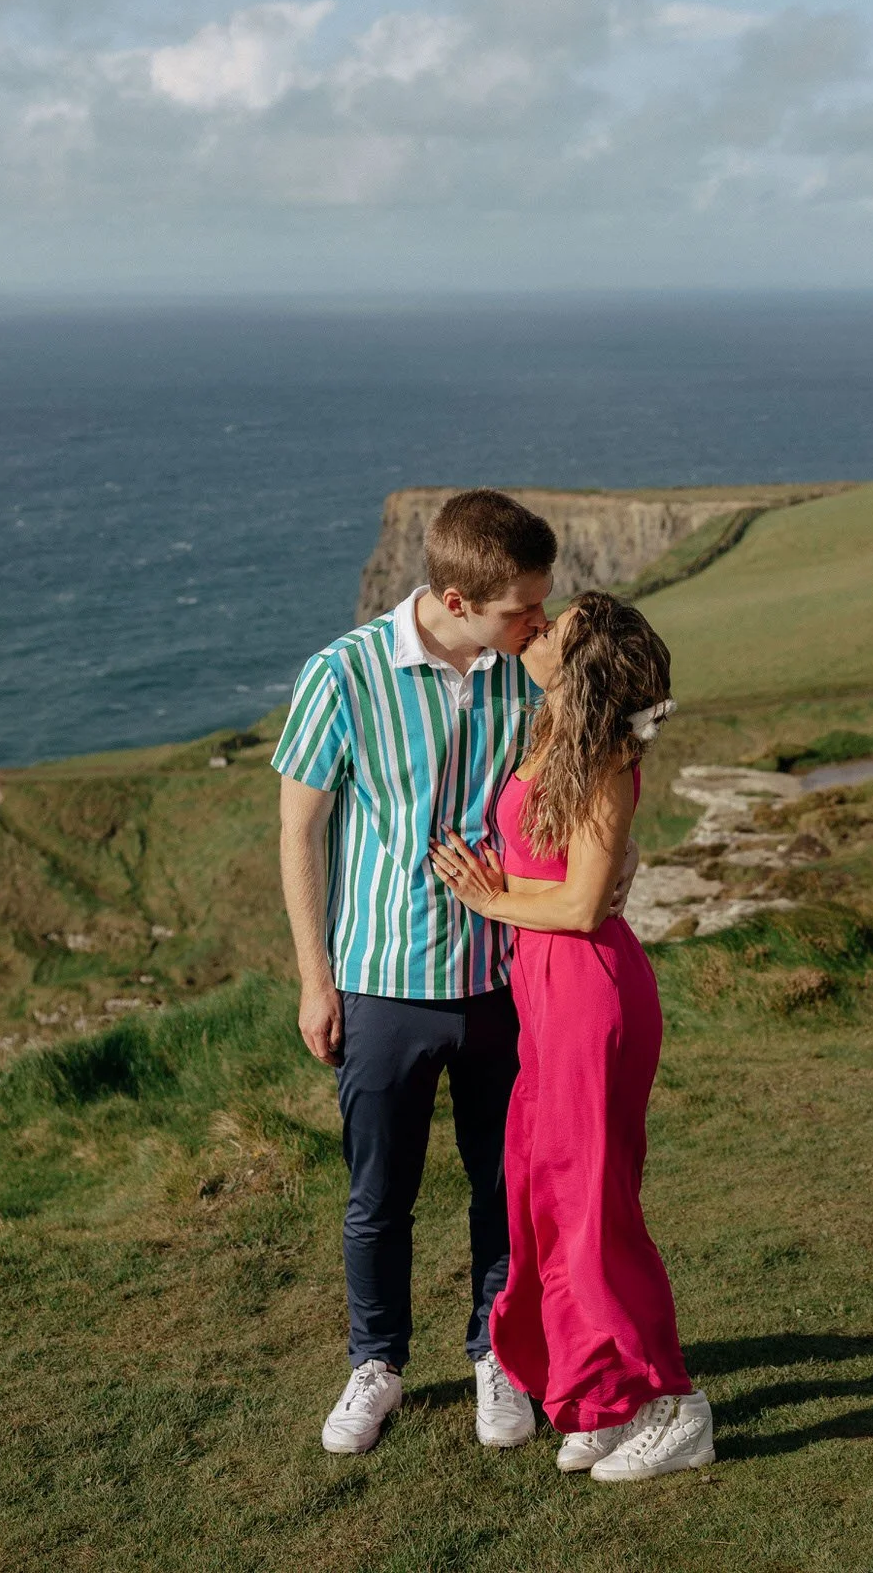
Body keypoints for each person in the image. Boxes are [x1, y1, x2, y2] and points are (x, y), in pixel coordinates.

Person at [273, 491, 639, 1456]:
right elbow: (298, 834)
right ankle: (376, 1363)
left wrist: (616, 864)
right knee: (376, 1192)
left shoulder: (531, 674)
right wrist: (317, 981)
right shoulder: (342, 676)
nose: (538, 622)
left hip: (507, 984)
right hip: (381, 984)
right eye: (524, 606)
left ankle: (498, 1356)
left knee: (504, 1189)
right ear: (453, 596)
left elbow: (598, 772)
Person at [430, 590, 714, 1483]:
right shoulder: (552, 730)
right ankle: (598, 1398)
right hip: (547, 996)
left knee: (595, 1210)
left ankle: (675, 1406)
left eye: (564, 625)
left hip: (591, 995)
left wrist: (493, 900)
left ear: (585, 660)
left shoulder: (601, 758)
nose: (543, 627)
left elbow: (586, 905)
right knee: (547, 1204)